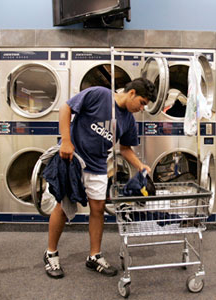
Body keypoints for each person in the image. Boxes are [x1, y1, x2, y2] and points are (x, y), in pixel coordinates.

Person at [43, 78, 157, 279]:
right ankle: (51, 253)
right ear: (131, 94)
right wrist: (66, 141)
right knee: (63, 206)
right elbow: (65, 108)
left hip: (98, 166)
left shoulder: (128, 120)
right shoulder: (99, 94)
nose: (141, 108)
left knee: (97, 209)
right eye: (142, 103)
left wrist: (140, 166)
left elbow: (125, 149)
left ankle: (94, 256)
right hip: (74, 160)